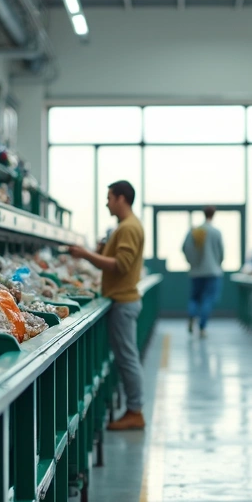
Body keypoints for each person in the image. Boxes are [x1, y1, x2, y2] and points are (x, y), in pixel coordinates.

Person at [69, 180, 147, 431]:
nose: (106, 203)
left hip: (123, 302)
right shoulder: (124, 228)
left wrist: (85, 254)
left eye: (109, 198)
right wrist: (100, 250)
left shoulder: (128, 228)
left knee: (127, 358)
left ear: (121, 198)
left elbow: (121, 265)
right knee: (126, 356)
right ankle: (133, 408)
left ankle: (135, 411)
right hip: (122, 300)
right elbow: (111, 261)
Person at [183, 206, 225, 337]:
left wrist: (192, 263)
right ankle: (202, 327)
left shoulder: (194, 231)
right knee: (208, 299)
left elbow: (184, 248)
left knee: (194, 298)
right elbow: (221, 253)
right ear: (214, 215)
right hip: (212, 272)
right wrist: (217, 264)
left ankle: (191, 316)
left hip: (196, 272)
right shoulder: (216, 232)